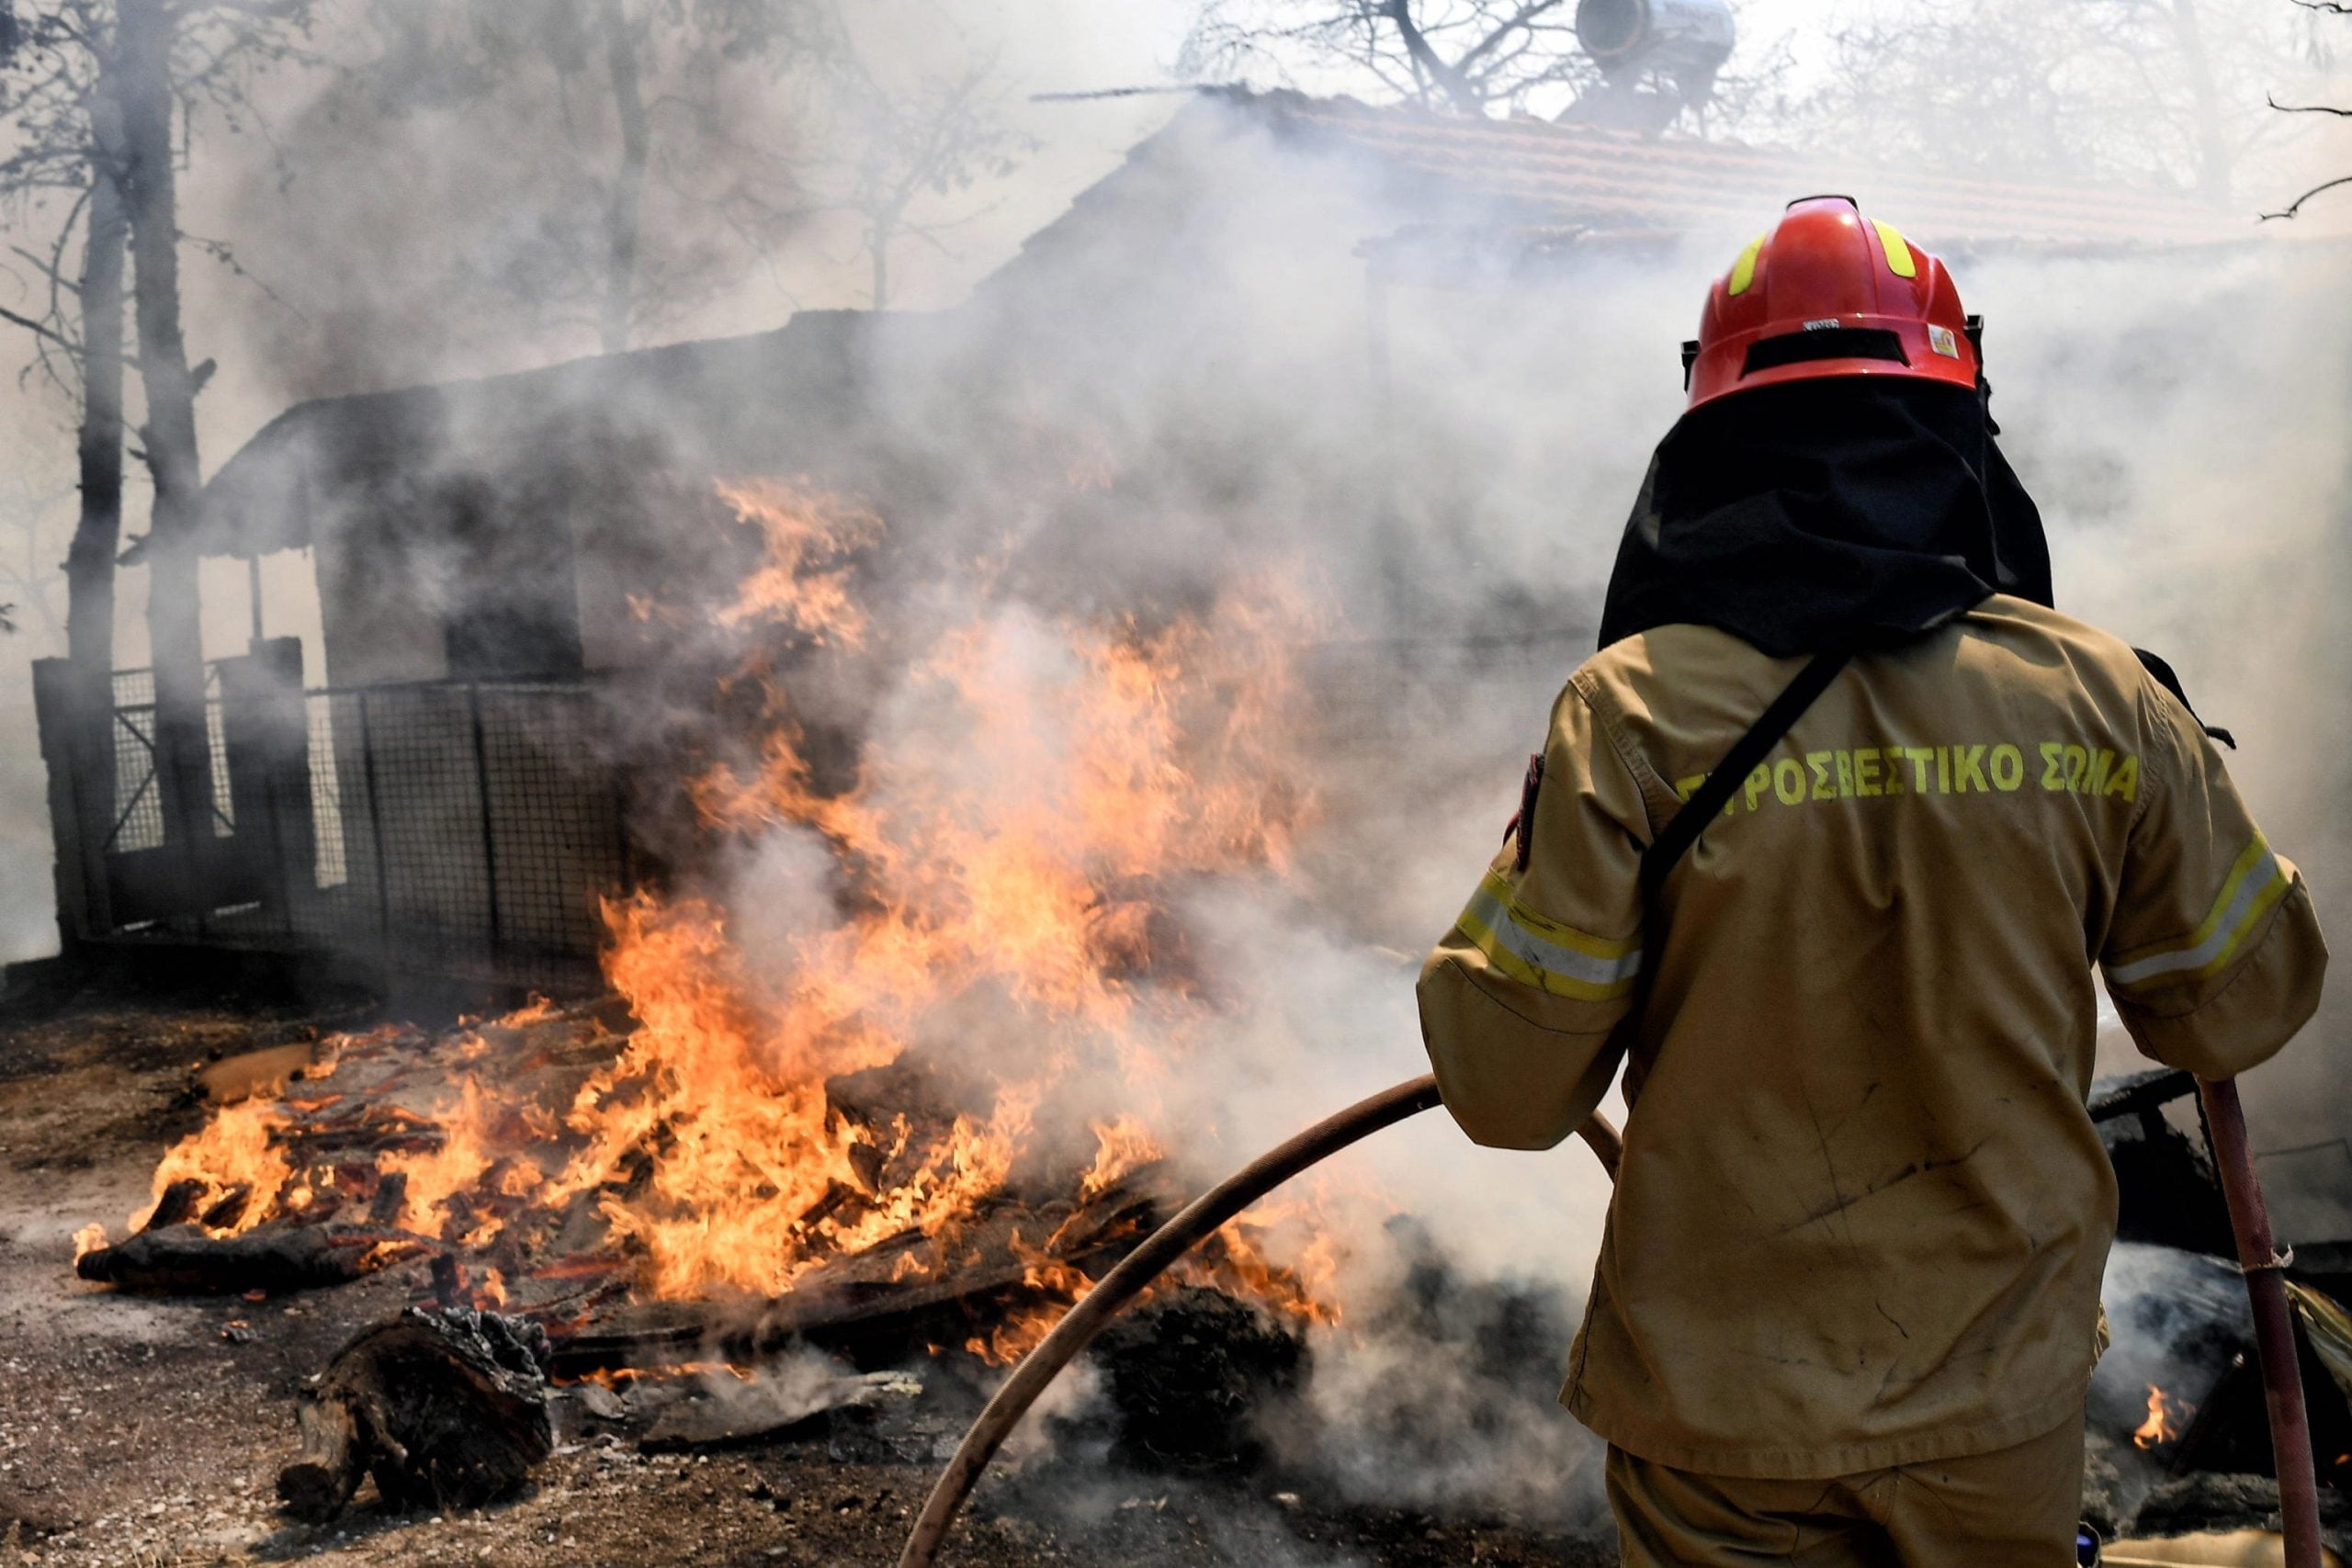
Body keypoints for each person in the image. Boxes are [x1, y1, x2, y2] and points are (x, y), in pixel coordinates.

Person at [1416, 195, 2328, 1566]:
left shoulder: (1630, 716)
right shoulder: (2098, 697)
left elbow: (1504, 1090)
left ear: (1711, 441)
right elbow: (2235, 1013)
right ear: (1961, 429)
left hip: (1723, 1414)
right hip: (1994, 1400)